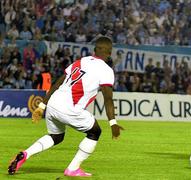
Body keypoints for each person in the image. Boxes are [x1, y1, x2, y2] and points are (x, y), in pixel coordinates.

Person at [8, 36, 124, 177]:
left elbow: (57, 84)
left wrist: (42, 106)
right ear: (109, 52)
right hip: (70, 108)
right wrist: (113, 123)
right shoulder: (106, 70)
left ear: (94, 49)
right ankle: (73, 168)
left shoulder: (80, 61)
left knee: (56, 136)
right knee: (95, 132)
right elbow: (108, 99)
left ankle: (25, 154)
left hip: (53, 104)